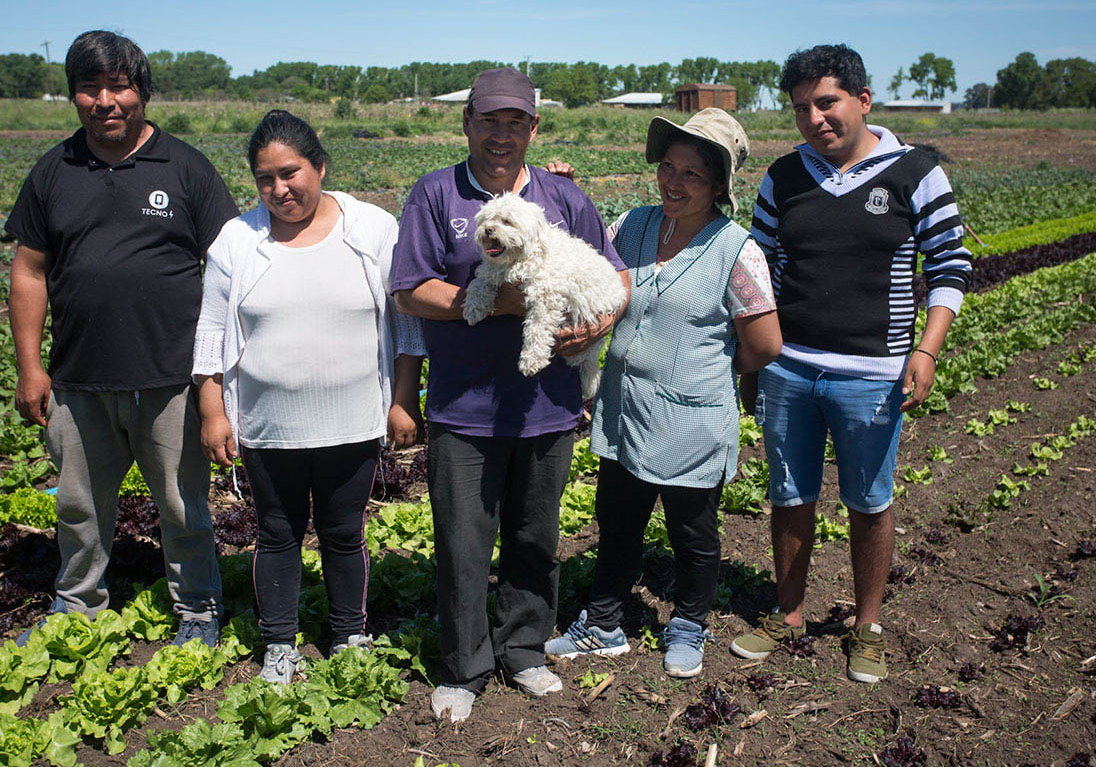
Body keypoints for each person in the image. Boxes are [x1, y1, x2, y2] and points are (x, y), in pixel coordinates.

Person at [390, 68, 630, 722]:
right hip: (465, 404)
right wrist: (504, 300)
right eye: (489, 121)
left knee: (534, 534)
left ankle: (523, 649)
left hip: (549, 402)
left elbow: (615, 272)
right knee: (464, 540)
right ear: (466, 123)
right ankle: (464, 667)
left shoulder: (564, 198)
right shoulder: (436, 195)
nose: (502, 134)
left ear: (534, 128)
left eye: (515, 122)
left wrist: (603, 319)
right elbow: (411, 289)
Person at [730, 45, 972, 683]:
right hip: (790, 369)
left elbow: (949, 269)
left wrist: (926, 349)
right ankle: (788, 614)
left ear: (863, 101)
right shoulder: (784, 178)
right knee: (789, 493)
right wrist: (753, 364)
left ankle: (867, 625)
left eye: (827, 102)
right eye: (801, 108)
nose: (815, 118)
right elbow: (758, 274)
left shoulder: (915, 173)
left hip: (873, 373)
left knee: (869, 500)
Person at [7, 31, 235, 647]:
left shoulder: (185, 166)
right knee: (79, 505)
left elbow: (233, 266)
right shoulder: (54, 169)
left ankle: (197, 607)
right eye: (90, 87)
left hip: (171, 378)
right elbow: (29, 271)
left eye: (119, 86)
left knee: (183, 505)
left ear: (142, 92)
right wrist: (31, 368)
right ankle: (77, 602)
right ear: (74, 94)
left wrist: (220, 375)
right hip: (79, 379)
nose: (106, 100)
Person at [545, 109, 781, 678]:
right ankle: (603, 624)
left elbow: (765, 344)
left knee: (692, 532)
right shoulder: (633, 223)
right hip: (625, 407)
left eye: (692, 174)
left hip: (691, 417)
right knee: (617, 520)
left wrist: (707, 366)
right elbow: (587, 262)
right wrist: (565, 193)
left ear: (720, 185)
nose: (674, 183)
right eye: (668, 168)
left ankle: (689, 625)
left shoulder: (737, 249)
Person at [193, 111, 424, 685]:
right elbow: (211, 330)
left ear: (319, 166)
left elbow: (406, 325)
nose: (280, 189)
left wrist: (403, 399)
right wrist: (213, 409)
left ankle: (349, 633)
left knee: (345, 532)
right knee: (277, 533)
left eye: (290, 173)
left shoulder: (371, 230)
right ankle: (279, 642)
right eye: (265, 179)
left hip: (352, 419)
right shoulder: (238, 239)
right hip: (270, 425)